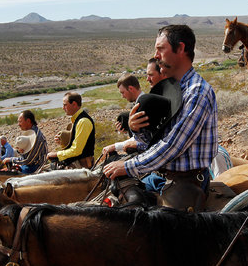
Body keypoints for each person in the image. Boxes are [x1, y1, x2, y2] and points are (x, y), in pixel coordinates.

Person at [104, 24, 218, 214]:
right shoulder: (170, 90)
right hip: (162, 175)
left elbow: (173, 145)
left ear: (180, 48)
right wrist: (138, 131)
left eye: (160, 48)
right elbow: (154, 143)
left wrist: (129, 166)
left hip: (186, 180)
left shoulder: (197, 91)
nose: (156, 55)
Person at [47, 92, 95, 169]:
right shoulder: (77, 120)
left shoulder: (83, 121)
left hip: (81, 166)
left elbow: (76, 150)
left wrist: (57, 154)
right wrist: (62, 141)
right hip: (77, 163)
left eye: (65, 105)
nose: (63, 108)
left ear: (74, 104)